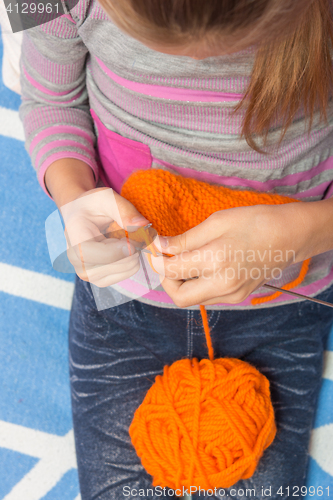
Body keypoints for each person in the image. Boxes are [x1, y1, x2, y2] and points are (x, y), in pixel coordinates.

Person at [18, 0, 333, 498]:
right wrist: (73, 197)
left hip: (284, 304)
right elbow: (48, 101)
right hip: (126, 304)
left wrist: (310, 231)